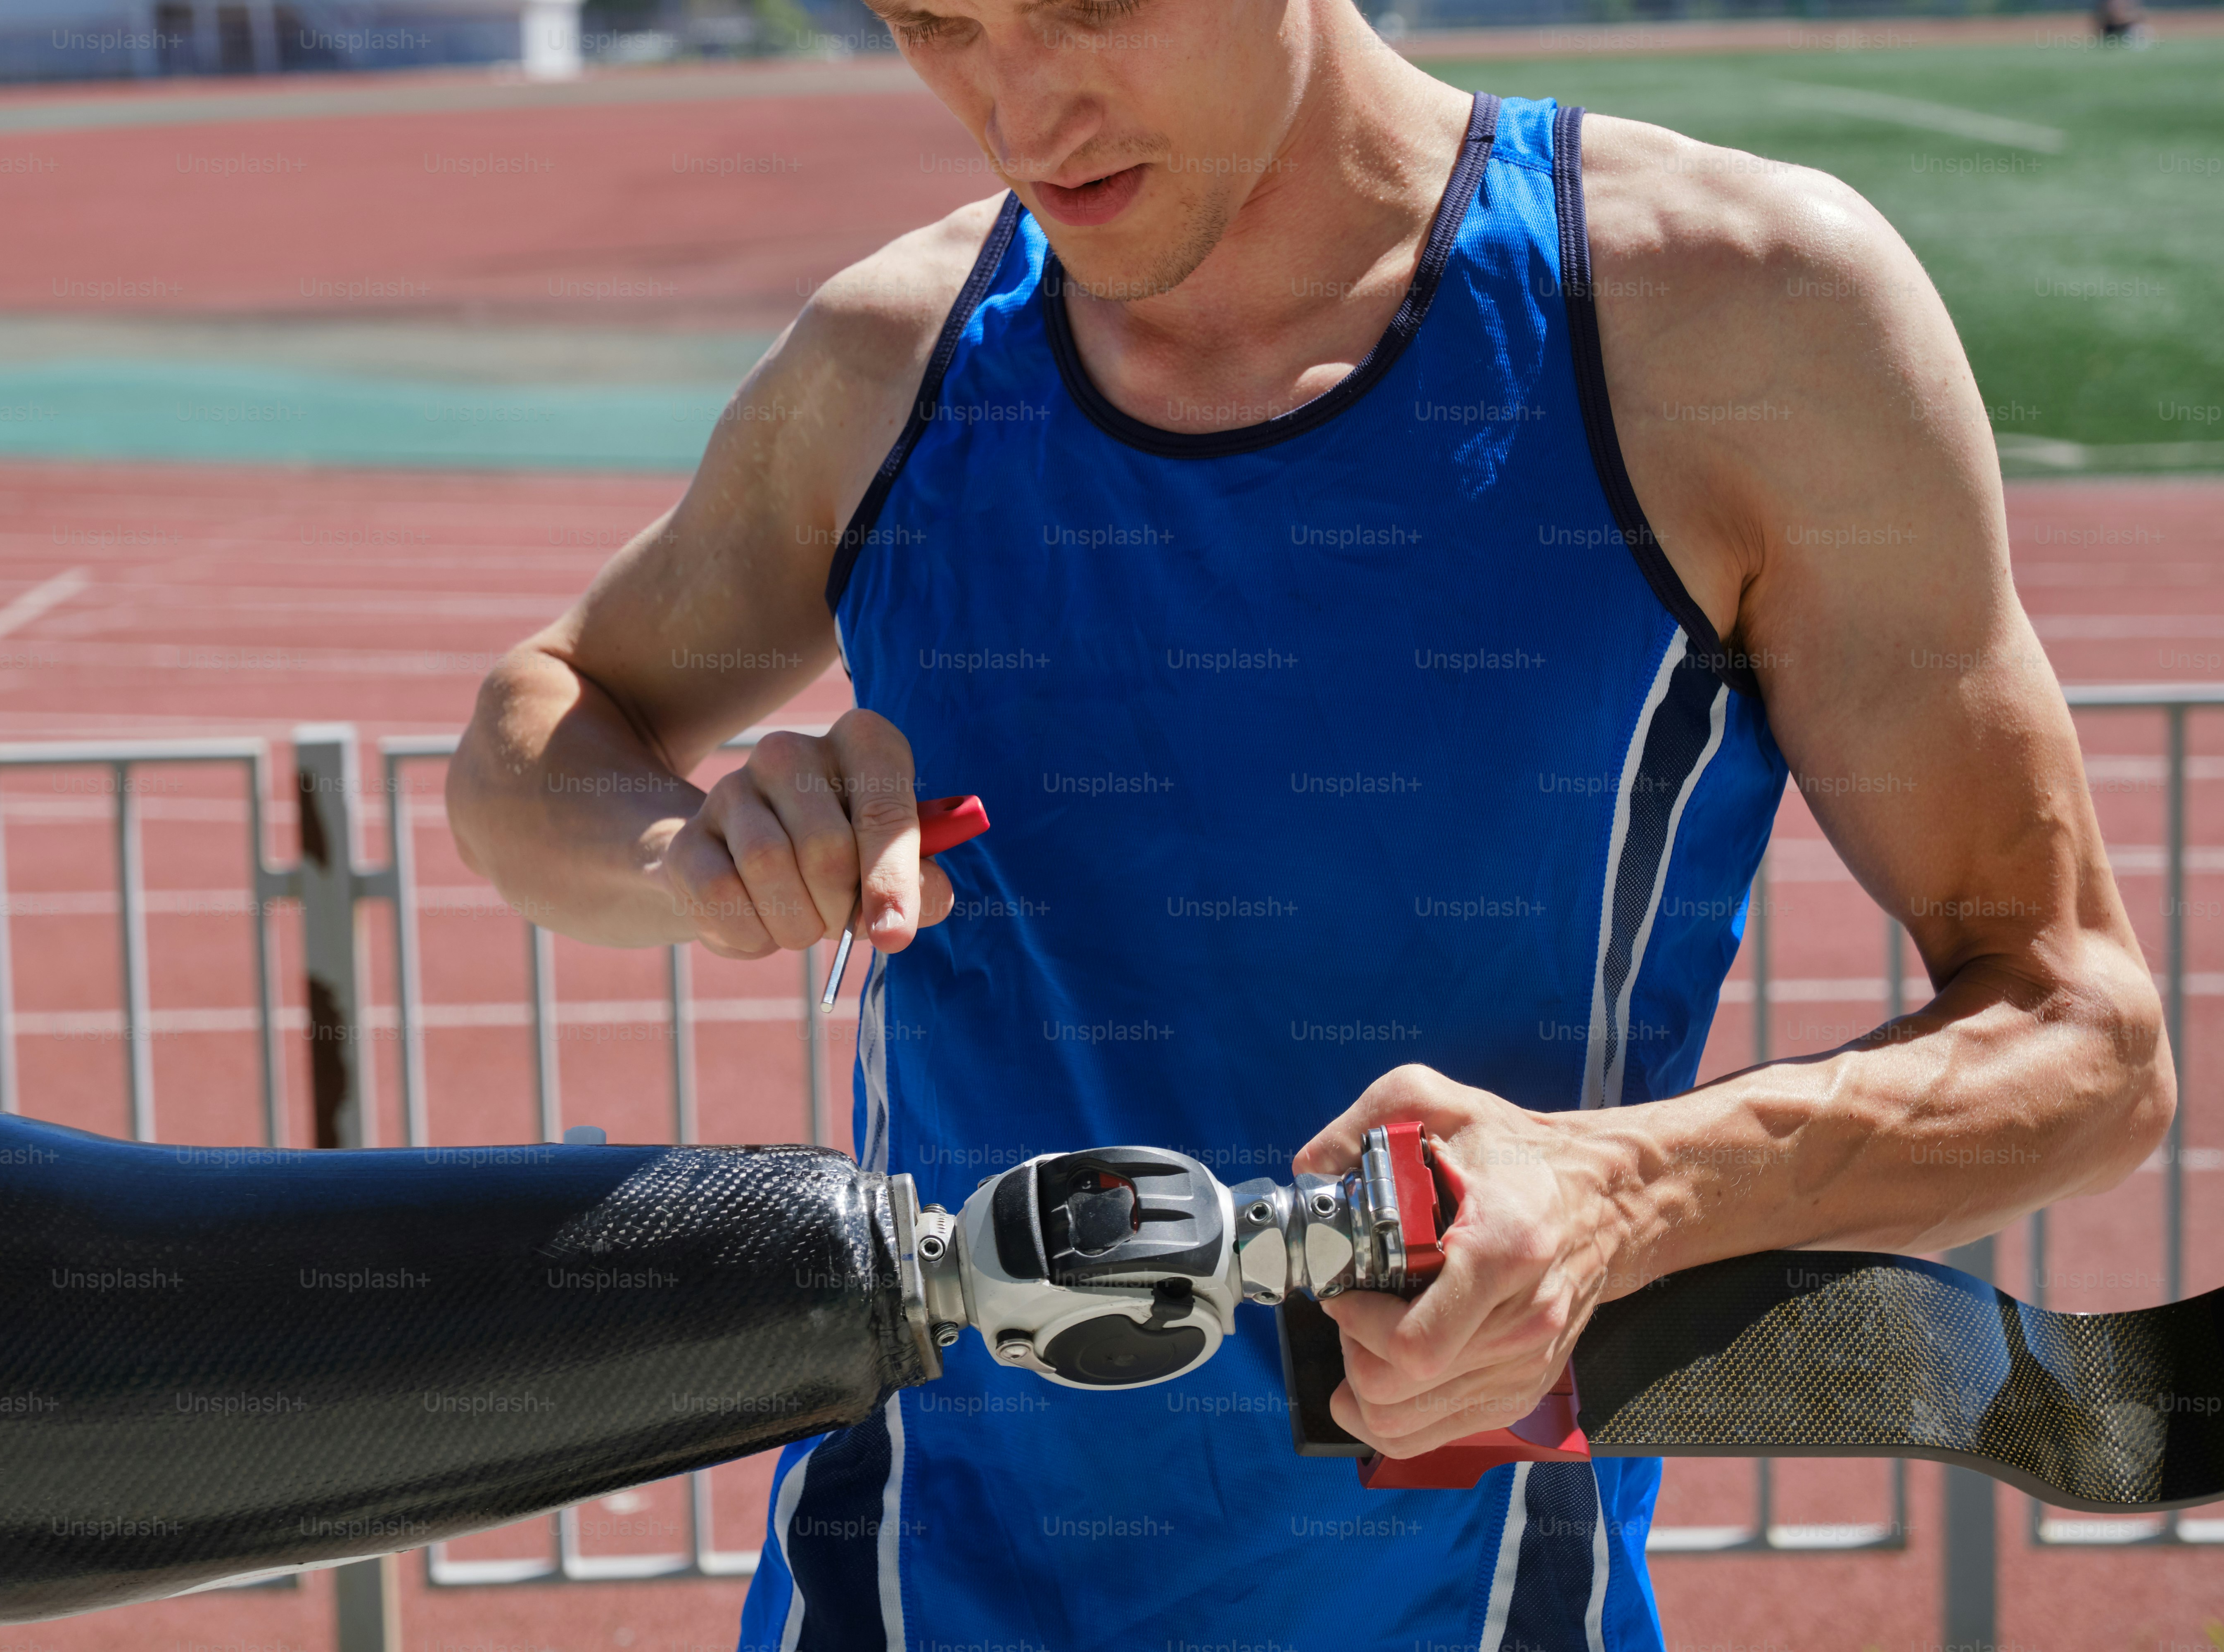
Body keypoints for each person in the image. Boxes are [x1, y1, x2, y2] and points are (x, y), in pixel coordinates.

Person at [444, 0, 2174, 1644]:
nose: (1017, 110)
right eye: (935, 26)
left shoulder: (1732, 314)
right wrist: (694, 854)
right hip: (888, 1600)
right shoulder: (891, 360)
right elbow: (539, 728)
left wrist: (1619, 1189)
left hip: (1473, 1610)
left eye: (1088, 9)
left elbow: (2082, 1038)